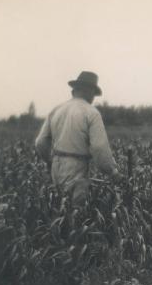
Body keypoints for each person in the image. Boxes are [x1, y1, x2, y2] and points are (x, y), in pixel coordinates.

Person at [35, 71, 122, 205]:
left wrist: (50, 161)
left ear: (75, 90)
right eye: (93, 93)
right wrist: (112, 172)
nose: (93, 97)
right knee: (75, 213)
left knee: (57, 209)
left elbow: (40, 142)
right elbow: (99, 148)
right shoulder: (91, 113)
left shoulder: (57, 110)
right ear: (89, 91)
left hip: (56, 167)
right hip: (76, 169)